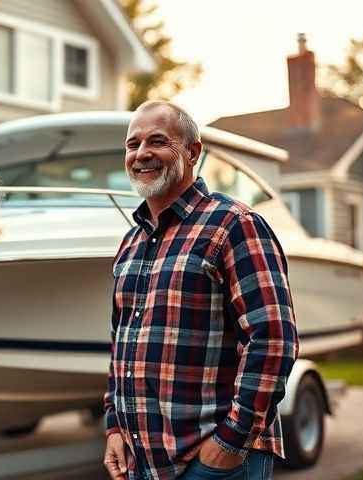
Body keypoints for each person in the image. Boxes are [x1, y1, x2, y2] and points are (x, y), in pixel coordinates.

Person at [103, 100, 298, 480]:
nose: (141, 154)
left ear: (193, 152)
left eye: (157, 141)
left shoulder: (235, 225)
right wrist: (114, 427)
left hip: (213, 464)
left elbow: (272, 339)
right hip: (144, 461)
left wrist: (230, 443)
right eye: (132, 144)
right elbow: (119, 342)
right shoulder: (131, 241)